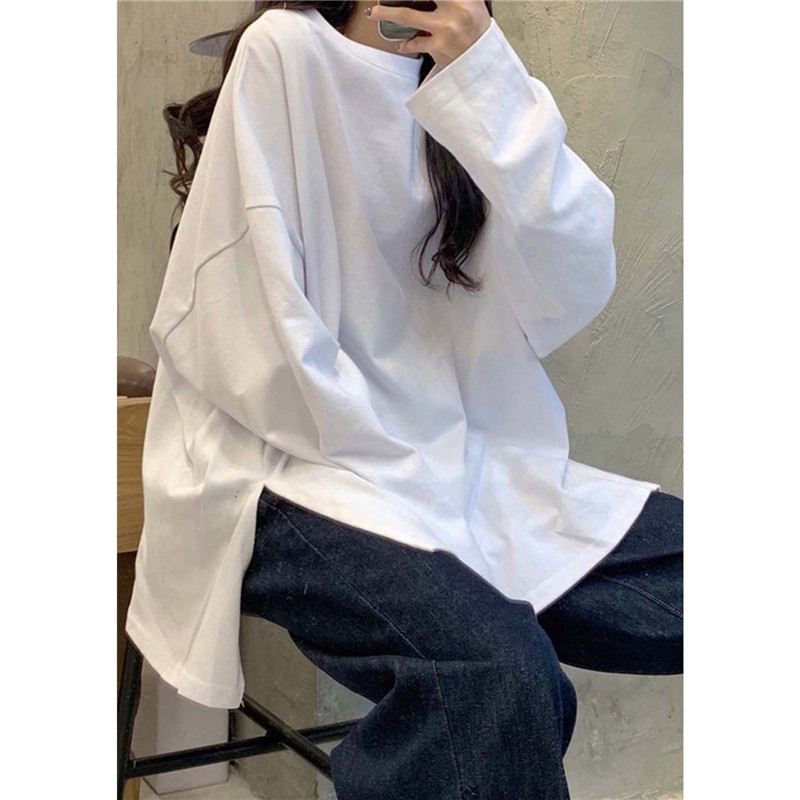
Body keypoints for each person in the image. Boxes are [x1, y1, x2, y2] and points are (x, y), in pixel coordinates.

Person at [127, 3, 682, 798]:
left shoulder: (471, 73)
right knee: (495, 674)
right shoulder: (286, 49)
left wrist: (485, 80)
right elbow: (243, 332)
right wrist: (411, 465)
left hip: (459, 464)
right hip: (286, 465)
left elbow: (575, 280)